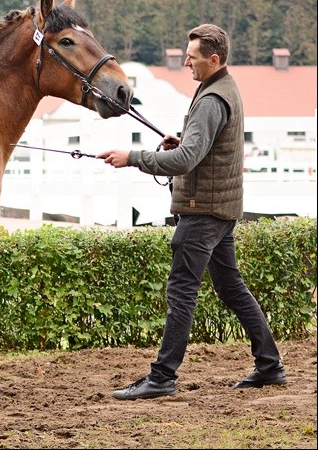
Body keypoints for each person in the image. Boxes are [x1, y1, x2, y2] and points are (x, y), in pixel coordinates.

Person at [97, 24, 286, 400]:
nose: (186, 62)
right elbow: (199, 149)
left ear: (214, 59)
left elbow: (185, 161)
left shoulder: (212, 99)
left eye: (192, 56)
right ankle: (270, 365)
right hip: (221, 209)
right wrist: (180, 142)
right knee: (232, 289)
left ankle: (162, 377)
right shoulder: (223, 89)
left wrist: (132, 158)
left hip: (202, 214)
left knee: (181, 293)